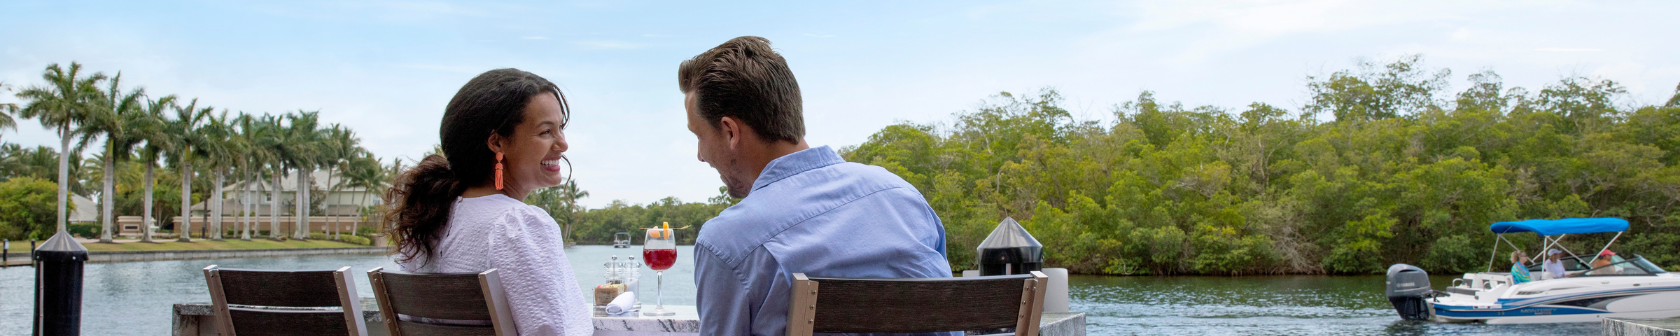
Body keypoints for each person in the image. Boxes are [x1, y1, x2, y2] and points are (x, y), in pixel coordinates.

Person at [680, 36, 955, 336]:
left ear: (730, 131)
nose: (700, 156)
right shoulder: (905, 199)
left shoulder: (729, 245)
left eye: (698, 136)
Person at [385, 68, 590, 336]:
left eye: (560, 128)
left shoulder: (428, 220)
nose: (562, 144)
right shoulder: (517, 225)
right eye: (545, 132)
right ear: (497, 142)